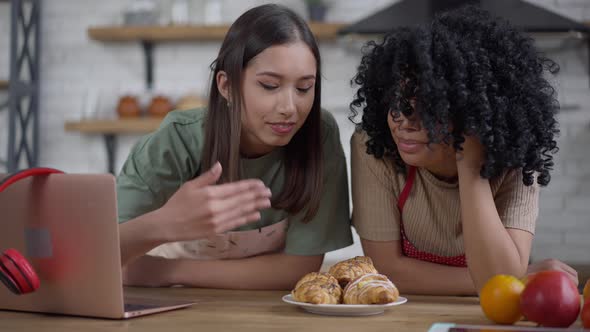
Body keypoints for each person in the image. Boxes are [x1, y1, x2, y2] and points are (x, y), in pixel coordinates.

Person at [117, 4, 352, 290]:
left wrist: (167, 272)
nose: (290, 108)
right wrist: (166, 222)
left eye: (304, 88)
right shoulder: (177, 140)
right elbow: (102, 252)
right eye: (269, 85)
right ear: (226, 85)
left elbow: (298, 268)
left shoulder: (320, 134)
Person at [349, 5, 578, 295]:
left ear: (473, 112)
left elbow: (499, 282)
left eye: (429, 105)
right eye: (398, 99)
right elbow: (387, 271)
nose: (403, 121)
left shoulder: (516, 157)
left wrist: (470, 164)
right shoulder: (374, 146)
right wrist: (519, 277)